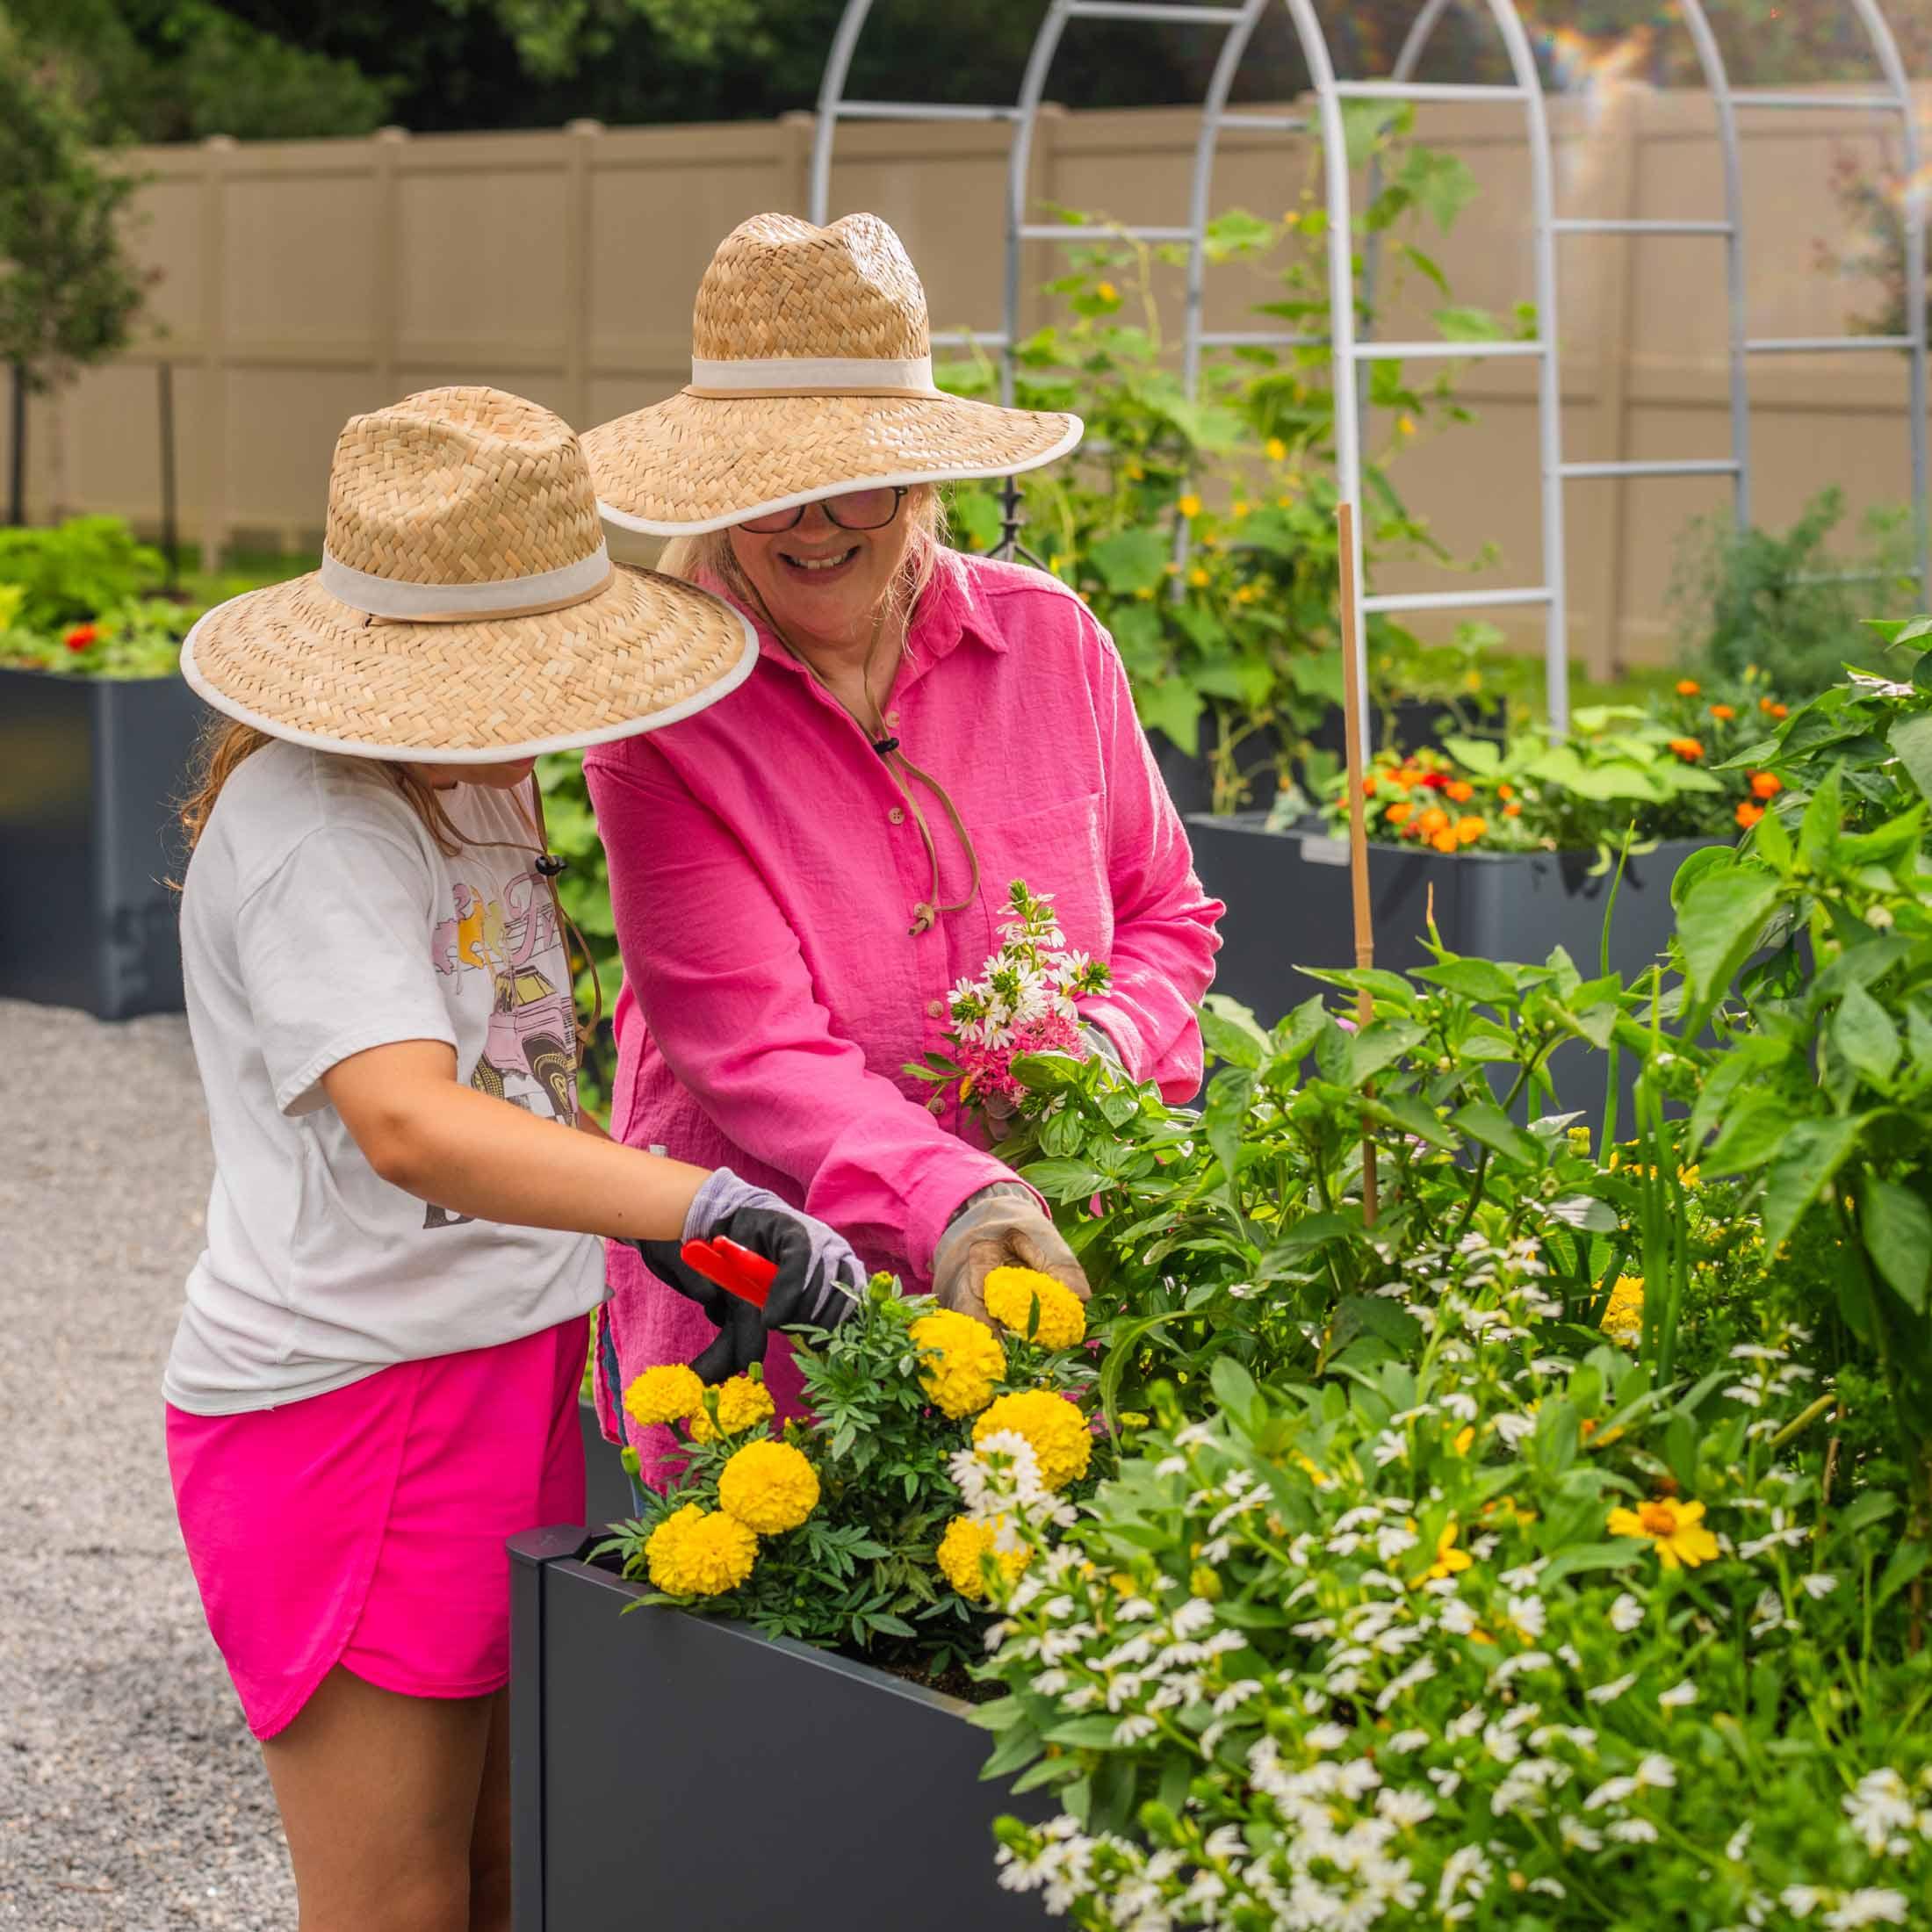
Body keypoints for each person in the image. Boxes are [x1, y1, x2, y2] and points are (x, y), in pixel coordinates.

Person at [164, 386, 864, 1932]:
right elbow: (411, 1118)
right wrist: (692, 1200)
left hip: (496, 1361)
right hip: (346, 1405)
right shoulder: (316, 825)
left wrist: (634, 1228)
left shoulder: (465, 770)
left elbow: (506, 1060)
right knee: (395, 1900)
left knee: (503, 1869)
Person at [578, 213, 1222, 1479]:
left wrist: (1089, 1060)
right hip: (774, 1299)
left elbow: (1164, 916)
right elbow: (751, 1051)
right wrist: (961, 1198)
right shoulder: (661, 717)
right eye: (771, 492)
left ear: (925, 475)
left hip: (1046, 1269)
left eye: (857, 482)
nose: (815, 526)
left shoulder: (1050, 644)